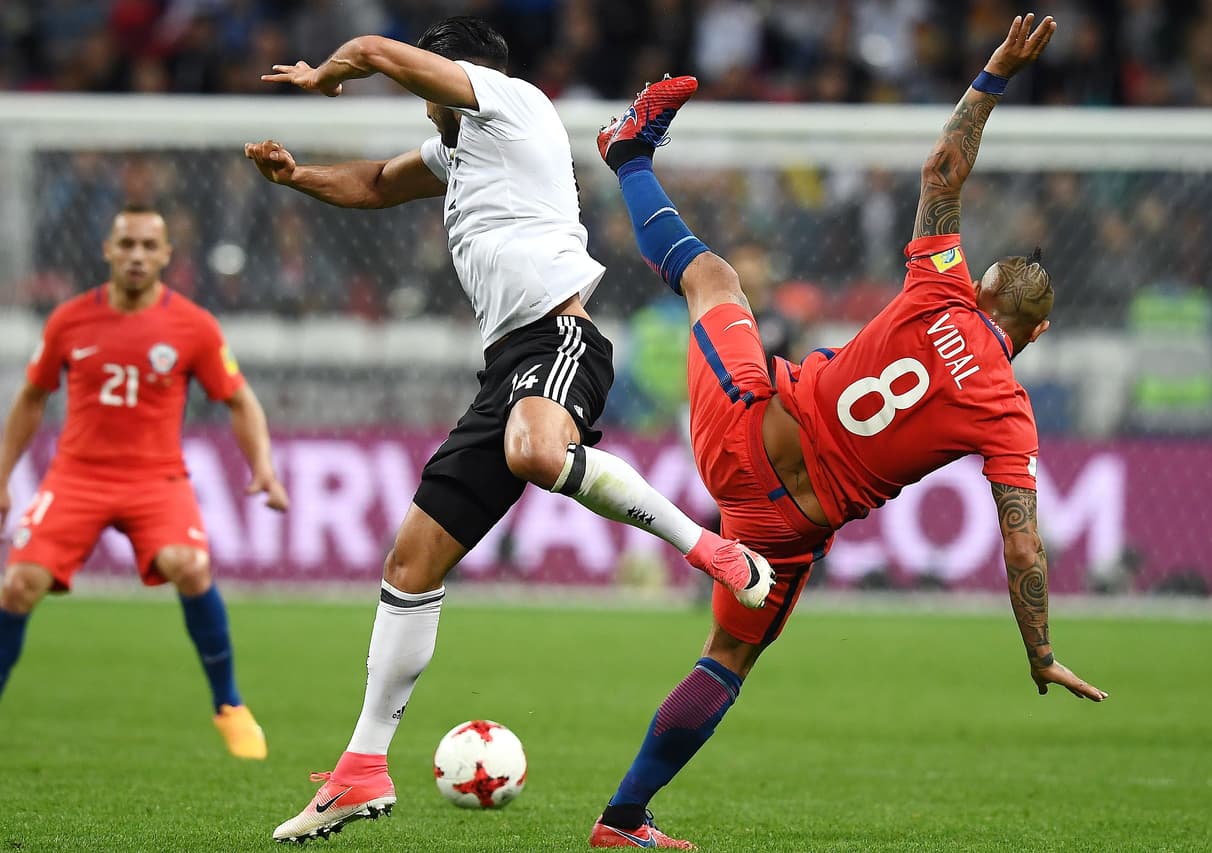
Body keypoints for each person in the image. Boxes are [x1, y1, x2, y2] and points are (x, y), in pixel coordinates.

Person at [244, 16, 774, 843]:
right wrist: (295, 177)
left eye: (434, 73)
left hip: (559, 340)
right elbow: (376, 184)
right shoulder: (459, 152)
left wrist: (327, 74)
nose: (422, 91)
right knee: (410, 563)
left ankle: (706, 547)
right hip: (505, 369)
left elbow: (381, 53)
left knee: (533, 450)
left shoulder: (514, 104)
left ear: (458, 72)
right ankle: (360, 770)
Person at [589, 14, 1109, 849]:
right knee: (726, 658)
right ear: (1037, 336)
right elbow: (1023, 549)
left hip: (746, 430)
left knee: (713, 277)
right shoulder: (1009, 413)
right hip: (788, 533)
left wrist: (995, 74)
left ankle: (629, 156)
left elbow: (943, 165)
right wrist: (1040, 649)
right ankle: (621, 818)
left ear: (979, 287)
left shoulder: (939, 285)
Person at [0, 204, 289, 760]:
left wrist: (264, 469)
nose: (136, 255)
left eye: (147, 247)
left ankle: (228, 704)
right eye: (126, 244)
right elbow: (32, 398)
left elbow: (238, 399)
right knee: (17, 584)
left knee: (192, 565)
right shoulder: (68, 321)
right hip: (76, 475)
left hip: (156, 479)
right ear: (107, 250)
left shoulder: (193, 325)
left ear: (165, 256)